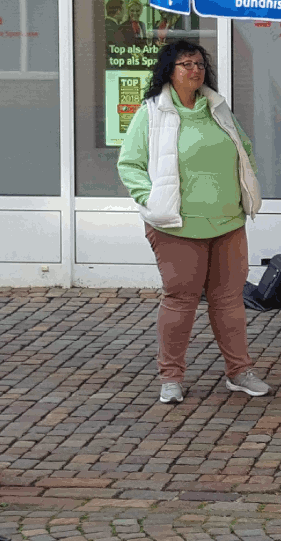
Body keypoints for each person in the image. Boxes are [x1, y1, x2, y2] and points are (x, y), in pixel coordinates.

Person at [116, 39, 271, 404]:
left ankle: (239, 371)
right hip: (176, 225)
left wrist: (243, 185)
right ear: (169, 70)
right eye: (185, 64)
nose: (194, 70)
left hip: (228, 222)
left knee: (229, 301)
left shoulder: (217, 108)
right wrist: (149, 200)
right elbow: (129, 164)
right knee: (180, 300)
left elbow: (244, 148)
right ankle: (171, 377)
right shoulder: (152, 112)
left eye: (199, 64)